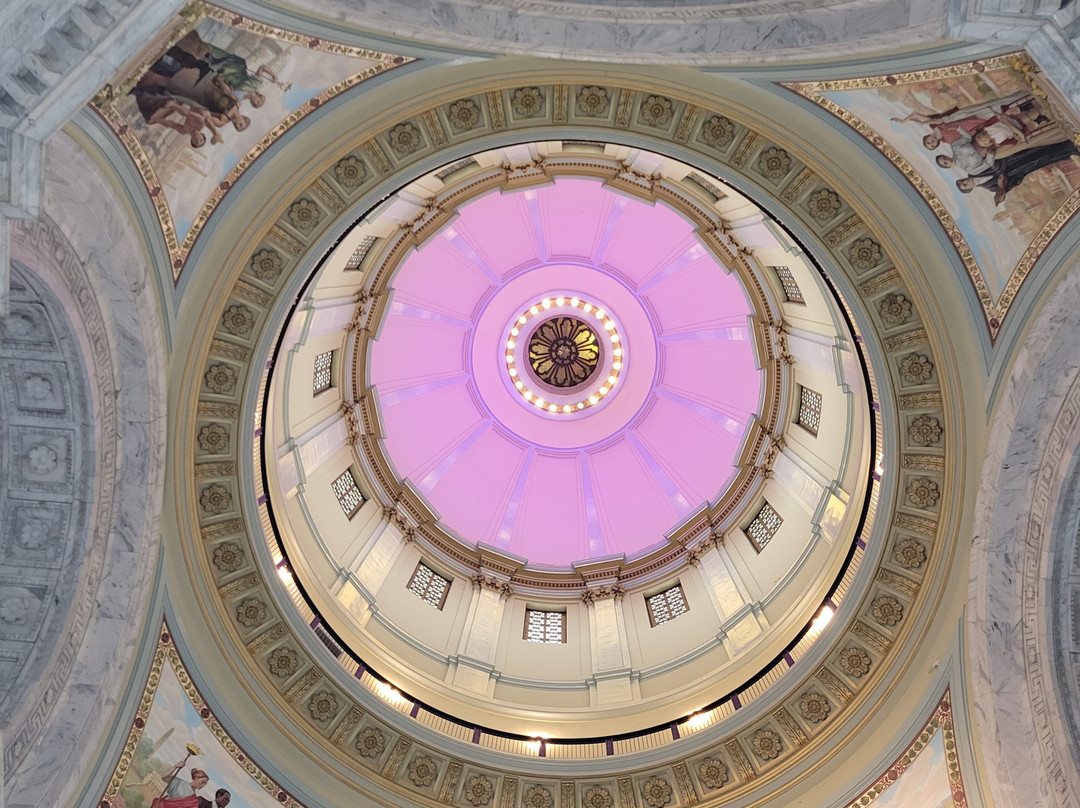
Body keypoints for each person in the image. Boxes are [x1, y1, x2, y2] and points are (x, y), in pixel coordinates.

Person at [955, 138, 1080, 205]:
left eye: (962, 181)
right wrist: (1004, 184)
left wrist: (1002, 170)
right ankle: (1070, 149)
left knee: (1039, 145)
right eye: (964, 184)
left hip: (1014, 156)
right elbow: (1013, 183)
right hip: (1024, 167)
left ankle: (1063, 138)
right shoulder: (991, 187)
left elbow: (993, 160)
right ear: (970, 188)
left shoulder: (975, 169)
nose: (965, 181)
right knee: (1046, 157)